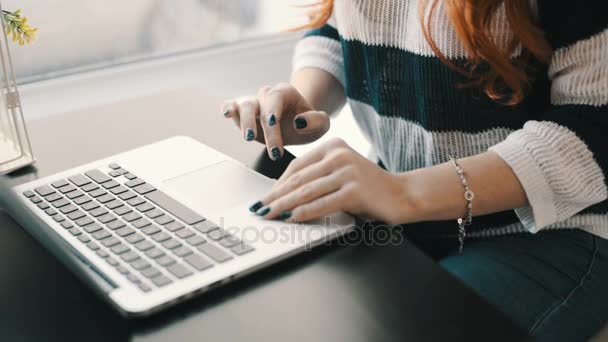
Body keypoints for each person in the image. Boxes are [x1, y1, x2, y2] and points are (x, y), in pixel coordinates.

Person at [221, 1, 608, 340]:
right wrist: (304, 100)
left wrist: (405, 193)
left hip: (547, 233)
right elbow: (341, 25)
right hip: (403, 213)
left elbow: (592, 131)